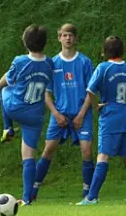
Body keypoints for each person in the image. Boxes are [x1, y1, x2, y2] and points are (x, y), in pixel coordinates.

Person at [78, 36, 126, 205]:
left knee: (103, 156)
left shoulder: (103, 68)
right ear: (122, 50)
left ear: (104, 51)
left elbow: (90, 90)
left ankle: (92, 197)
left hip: (110, 115)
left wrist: (96, 106)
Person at [30, 23, 95, 201]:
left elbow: (91, 92)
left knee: (87, 150)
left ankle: (88, 191)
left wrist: (81, 114)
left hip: (82, 113)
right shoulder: (52, 63)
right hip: (60, 114)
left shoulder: (85, 62)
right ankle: (33, 189)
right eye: (64, 35)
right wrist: (56, 114)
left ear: (76, 38)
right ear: (59, 37)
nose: (68, 38)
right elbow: (46, 93)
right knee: (48, 149)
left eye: (71, 35)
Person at [0, 24, 54, 206]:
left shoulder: (20, 61)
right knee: (28, 156)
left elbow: (3, 83)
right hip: (35, 115)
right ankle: (27, 198)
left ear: (25, 42)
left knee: (3, 90)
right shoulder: (49, 63)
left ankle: (7, 128)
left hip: (16, 108)